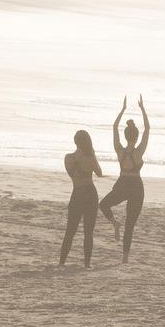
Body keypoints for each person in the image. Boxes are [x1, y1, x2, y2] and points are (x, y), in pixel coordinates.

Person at [98, 95, 150, 264]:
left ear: (126, 135)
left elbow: (114, 127)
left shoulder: (120, 150)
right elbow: (148, 129)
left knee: (103, 204)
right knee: (130, 224)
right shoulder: (139, 152)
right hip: (136, 187)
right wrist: (142, 109)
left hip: (122, 184)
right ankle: (125, 258)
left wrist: (122, 110)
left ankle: (114, 223)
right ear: (135, 136)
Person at [59, 129, 103, 268]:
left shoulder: (68, 158)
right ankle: (87, 264)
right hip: (90, 193)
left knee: (71, 230)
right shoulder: (88, 157)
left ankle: (62, 262)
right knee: (87, 232)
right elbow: (99, 173)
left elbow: (73, 174)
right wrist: (92, 157)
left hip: (78, 193)